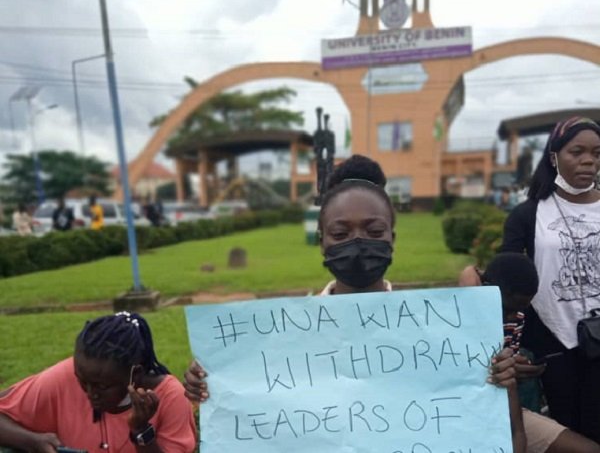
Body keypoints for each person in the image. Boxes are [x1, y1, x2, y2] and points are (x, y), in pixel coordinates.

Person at [184, 154, 527, 453]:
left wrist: (499, 384)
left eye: (374, 231)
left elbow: (503, 434)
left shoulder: (453, 338)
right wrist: (211, 382)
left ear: (392, 237)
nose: (358, 242)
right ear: (322, 242)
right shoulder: (278, 342)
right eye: (341, 233)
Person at [500, 116, 600, 443]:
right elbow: (506, 284)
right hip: (554, 341)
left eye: (597, 153)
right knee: (568, 432)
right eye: (577, 152)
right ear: (554, 156)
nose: (589, 160)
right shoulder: (528, 214)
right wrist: (510, 345)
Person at [460, 253, 600, 453]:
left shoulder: (517, 314)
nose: (512, 316)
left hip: (502, 405)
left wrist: (518, 367)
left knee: (589, 449)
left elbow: (508, 388)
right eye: (507, 309)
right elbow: (469, 277)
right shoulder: (460, 309)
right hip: (461, 409)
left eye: (522, 309)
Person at [0, 311, 197, 452]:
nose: (89, 393)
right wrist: (32, 441)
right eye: (82, 381)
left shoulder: (170, 397)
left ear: (134, 374)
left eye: (102, 387)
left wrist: (141, 431)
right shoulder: (64, 377)